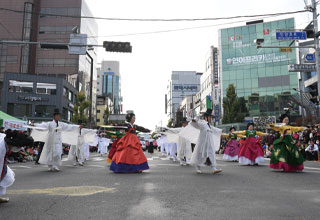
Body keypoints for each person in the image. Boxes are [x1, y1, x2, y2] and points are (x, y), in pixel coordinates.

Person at [1, 130, 34, 203]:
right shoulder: (1, 148)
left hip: (2, 163)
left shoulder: (6, 140)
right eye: (20, 146)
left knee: (6, 175)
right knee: (2, 174)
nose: (20, 148)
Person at [189, 109, 223, 174]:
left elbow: (214, 129)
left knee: (211, 153)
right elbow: (196, 124)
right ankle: (198, 167)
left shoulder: (209, 125)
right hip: (202, 142)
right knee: (199, 155)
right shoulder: (202, 123)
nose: (211, 119)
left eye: (211, 117)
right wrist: (194, 120)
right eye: (210, 117)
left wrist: (221, 131)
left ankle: (213, 168)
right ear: (206, 117)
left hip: (209, 143)